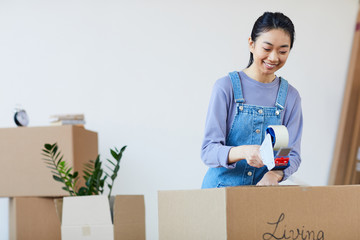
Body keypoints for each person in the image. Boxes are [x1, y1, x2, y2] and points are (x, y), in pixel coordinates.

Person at [201, 12, 303, 188]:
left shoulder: (291, 98)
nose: (273, 57)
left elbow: (289, 154)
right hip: (219, 193)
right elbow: (208, 151)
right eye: (267, 48)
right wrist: (244, 151)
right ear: (251, 44)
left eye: (283, 51)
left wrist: (275, 174)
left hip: (261, 198)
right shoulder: (226, 88)